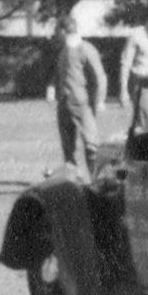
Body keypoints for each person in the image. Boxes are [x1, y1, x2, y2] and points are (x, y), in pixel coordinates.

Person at [49, 14, 107, 176]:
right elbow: (60, 74)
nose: (55, 34)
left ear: (63, 30)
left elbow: (100, 76)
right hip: (64, 103)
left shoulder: (86, 49)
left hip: (82, 104)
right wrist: (52, 87)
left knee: (91, 145)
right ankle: (72, 179)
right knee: (68, 147)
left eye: (56, 30)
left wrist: (100, 99)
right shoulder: (63, 51)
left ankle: (96, 179)